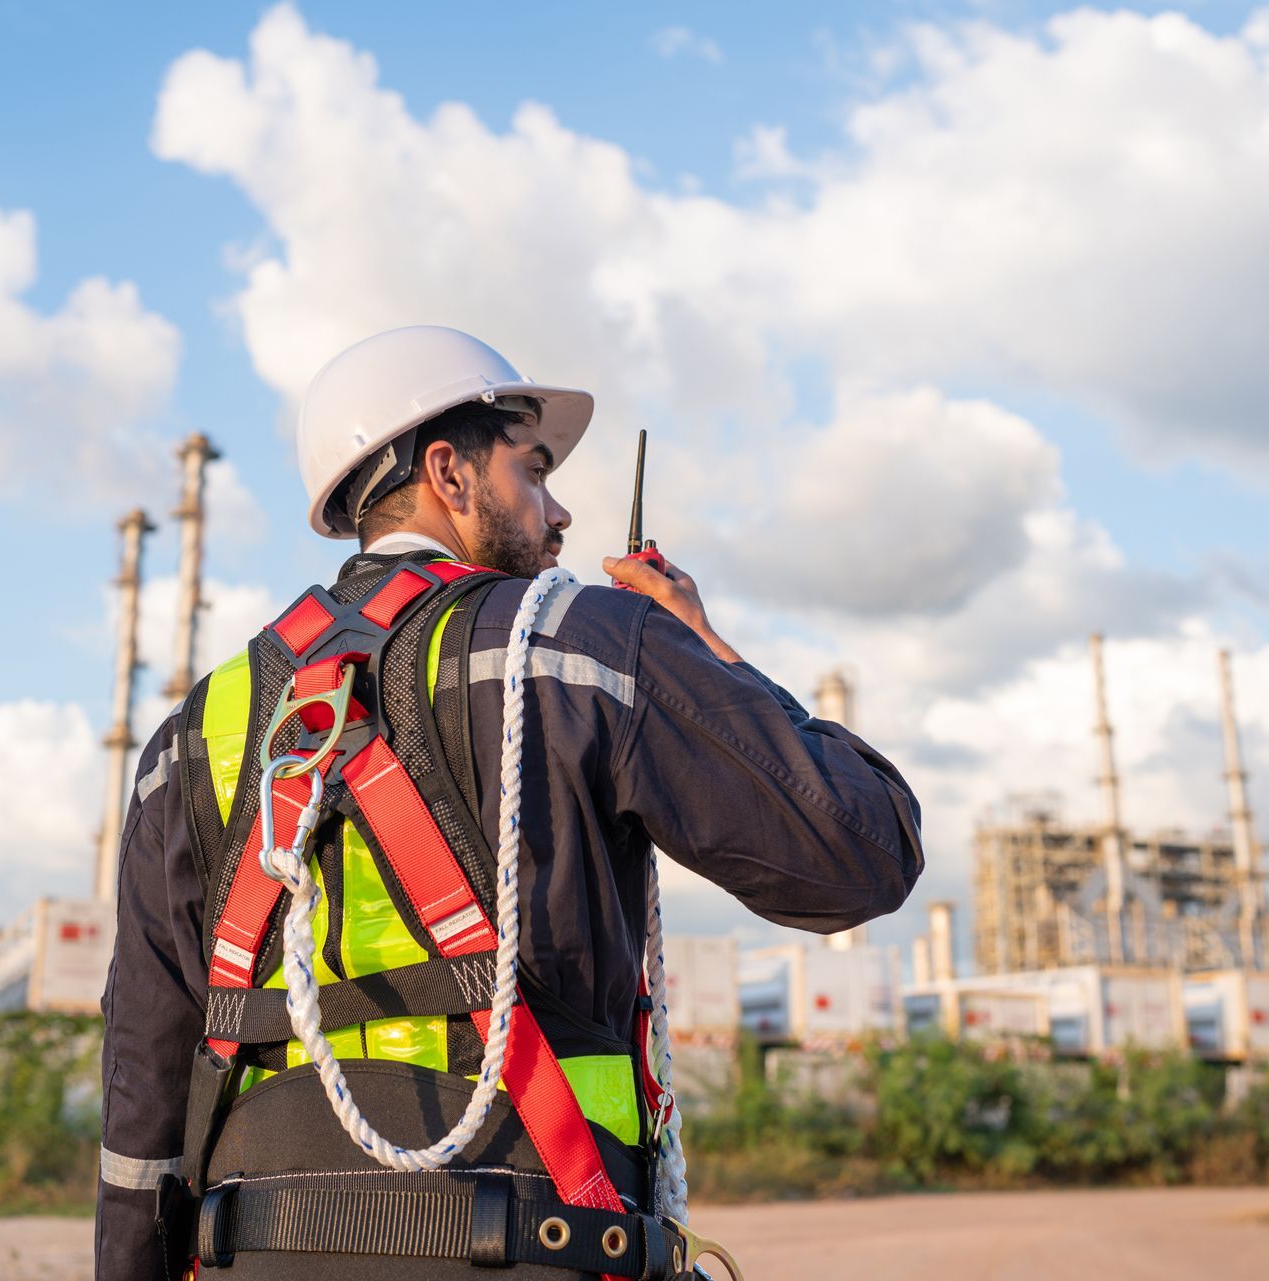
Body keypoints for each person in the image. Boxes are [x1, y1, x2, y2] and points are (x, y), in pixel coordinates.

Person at [96, 325, 924, 1280]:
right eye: (533, 470)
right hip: (530, 1243)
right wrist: (703, 645)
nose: (560, 509)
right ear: (449, 473)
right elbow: (861, 849)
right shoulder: (586, 648)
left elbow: (142, 1102)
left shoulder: (198, 732)